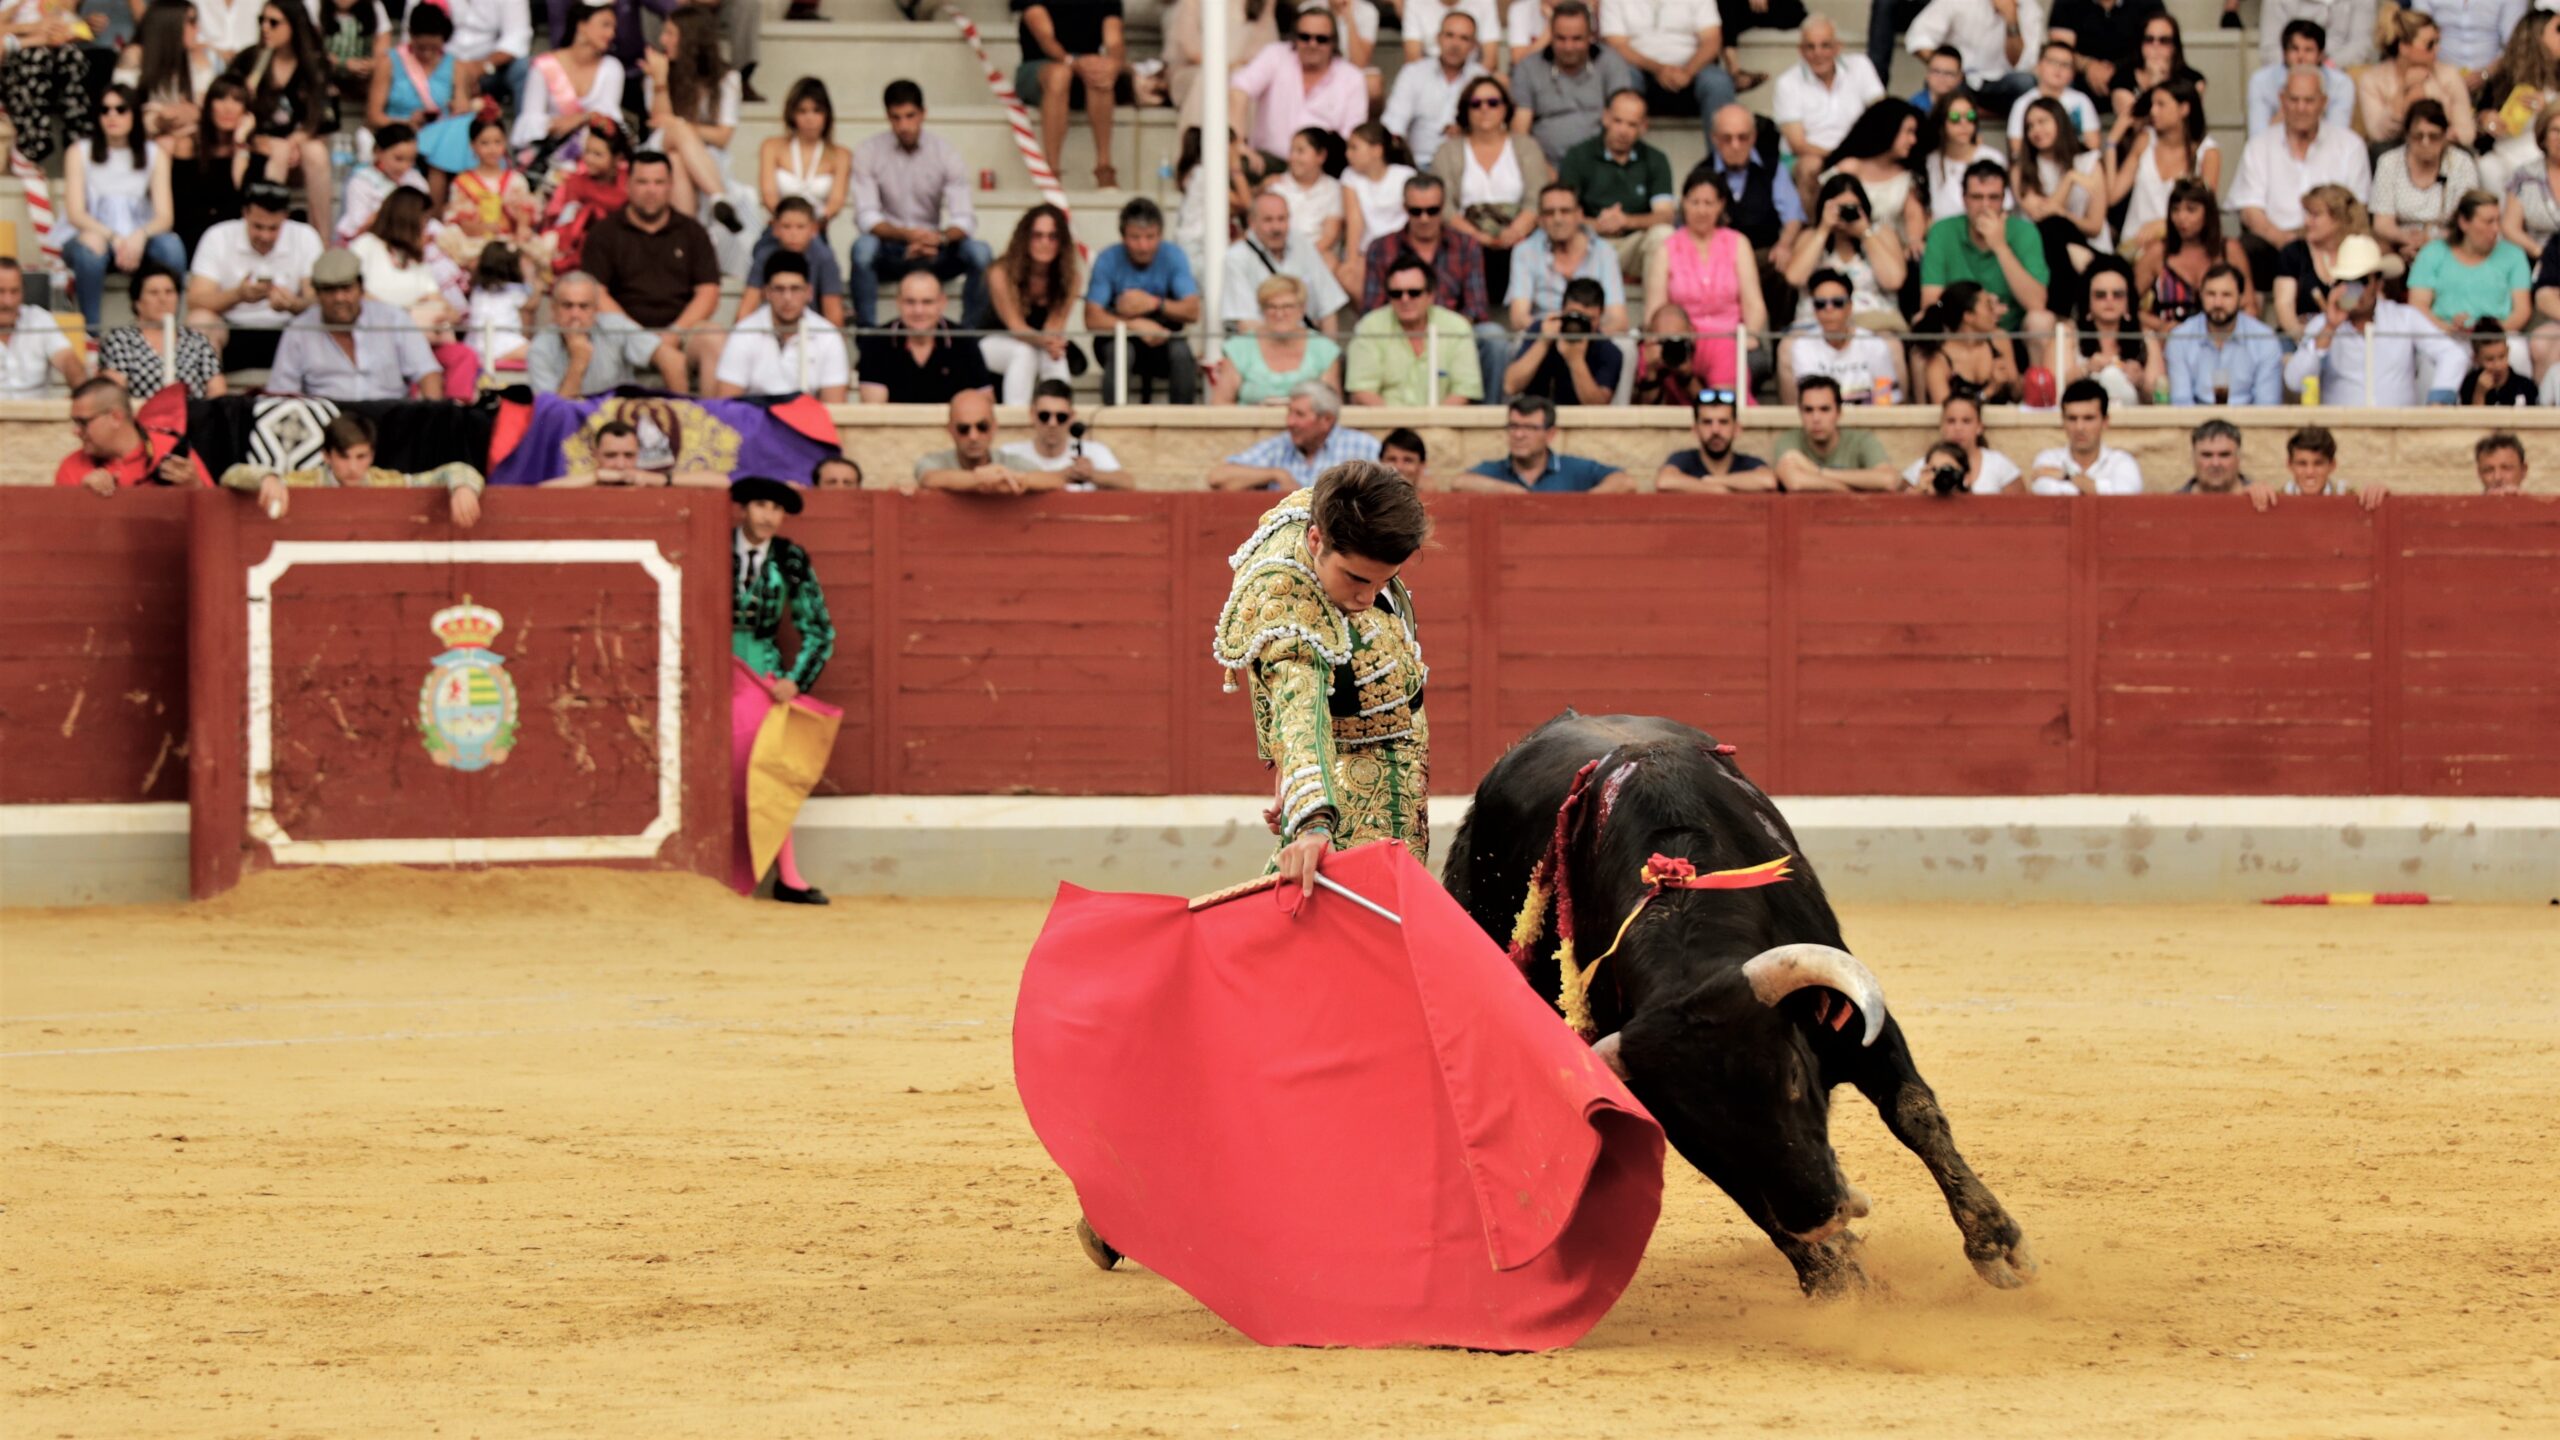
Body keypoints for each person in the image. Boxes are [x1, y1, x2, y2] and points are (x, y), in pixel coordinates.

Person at [1209, 460, 1432, 895]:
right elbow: (1297, 702)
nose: (1367, 597)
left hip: (1379, 740)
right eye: (1355, 578)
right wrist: (1310, 814)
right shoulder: (1285, 594)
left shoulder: (1327, 509)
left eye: (1384, 581)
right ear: (1316, 540)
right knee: (1359, 902)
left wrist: (1289, 782)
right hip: (1348, 762)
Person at [727, 474, 834, 905]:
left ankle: (787, 875)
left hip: (764, 681)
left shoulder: (790, 557)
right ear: (743, 509)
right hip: (712, 676)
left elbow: (819, 630)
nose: (769, 516)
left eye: (777, 508)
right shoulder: (712, 548)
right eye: (761, 506)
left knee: (768, 774)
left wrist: (795, 679)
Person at [850, 82, 991, 331]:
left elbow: (965, 218)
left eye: (910, 116)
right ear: (887, 116)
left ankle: (969, 336)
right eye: (896, 117)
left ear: (923, 113)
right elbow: (866, 217)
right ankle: (867, 335)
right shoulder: (869, 151)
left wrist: (938, 239)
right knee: (863, 249)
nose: (903, 125)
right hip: (890, 248)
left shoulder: (945, 153)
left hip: (935, 248)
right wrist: (906, 236)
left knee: (980, 253)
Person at [2231, 67, 2374, 297]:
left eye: (2309, 101)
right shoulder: (2259, 145)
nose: (2300, 108)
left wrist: (2325, 242)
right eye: (2294, 100)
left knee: (2363, 248)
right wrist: (2287, 243)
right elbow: (2250, 211)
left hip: (2336, 244)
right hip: (2276, 243)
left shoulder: (2350, 145)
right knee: (2244, 248)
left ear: (2324, 102)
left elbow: (2356, 210)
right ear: (2281, 100)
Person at [581, 150, 724, 380]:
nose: (651, 190)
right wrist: (638, 336)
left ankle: (707, 415)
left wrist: (674, 333)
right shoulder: (604, 233)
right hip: (621, 334)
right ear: (627, 185)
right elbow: (596, 293)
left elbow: (709, 291)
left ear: (671, 186)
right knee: (595, 339)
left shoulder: (693, 232)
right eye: (642, 182)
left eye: (659, 182)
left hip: (682, 333)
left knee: (714, 336)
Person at [59, 85, 187, 334]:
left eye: (121, 109)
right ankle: (91, 334)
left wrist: (139, 236)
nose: (112, 116)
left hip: (138, 238)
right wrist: (114, 238)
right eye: (104, 110)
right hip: (94, 234)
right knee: (90, 250)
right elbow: (76, 213)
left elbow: (165, 216)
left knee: (171, 246)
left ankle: (173, 330)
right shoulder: (79, 152)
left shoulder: (154, 154)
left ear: (134, 115)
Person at [2285, 235, 2471, 404]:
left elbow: (2453, 354)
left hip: (2397, 433)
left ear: (2378, 283)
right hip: (2342, 433)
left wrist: (2438, 401)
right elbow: (2295, 381)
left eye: (2362, 281)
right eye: (2345, 281)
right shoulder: (2322, 325)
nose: (2353, 288)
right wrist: (2329, 328)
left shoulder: (2404, 318)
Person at [223, 411, 485, 527]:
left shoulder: (387, 482)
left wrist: (463, 486)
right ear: (326, 455)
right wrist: (266, 478)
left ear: (372, 454)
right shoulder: (303, 482)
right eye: (344, 457)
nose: (353, 468)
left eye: (361, 457)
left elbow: (454, 470)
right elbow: (230, 475)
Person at [1645, 161, 1766, 390]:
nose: (1702, 210)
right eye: (1695, 202)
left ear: (1721, 205)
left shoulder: (1738, 243)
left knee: (1754, 360)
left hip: (1730, 339)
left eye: (1709, 203)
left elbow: (1754, 303)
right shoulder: (1666, 248)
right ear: (1683, 204)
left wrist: (1749, 337)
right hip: (1685, 342)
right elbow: (1656, 309)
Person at [1434, 74, 1547, 315]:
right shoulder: (1448, 151)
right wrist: (1477, 236)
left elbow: (1537, 198)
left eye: (1493, 103)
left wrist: (1515, 231)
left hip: (1519, 237)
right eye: (1476, 104)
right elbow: (1444, 206)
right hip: (1467, 238)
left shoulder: (1526, 146)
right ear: (1466, 110)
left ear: (1506, 108)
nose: (1484, 109)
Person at [268, 246, 444, 400]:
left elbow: (428, 372)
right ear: (317, 294)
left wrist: (430, 418)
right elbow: (282, 392)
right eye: (330, 290)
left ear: (360, 288)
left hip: (389, 419)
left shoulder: (393, 318)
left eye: (346, 288)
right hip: (329, 425)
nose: (339, 298)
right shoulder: (299, 330)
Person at [353, 187, 477, 398]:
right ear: (407, 219)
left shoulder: (419, 263)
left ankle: (455, 415)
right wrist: (408, 312)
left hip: (423, 344)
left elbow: (450, 311)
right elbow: (357, 295)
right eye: (424, 220)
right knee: (415, 365)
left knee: (463, 355)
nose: (427, 228)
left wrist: (438, 310)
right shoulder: (366, 247)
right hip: (378, 342)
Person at [223, 0, 334, 235]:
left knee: (317, 152)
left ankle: (321, 240)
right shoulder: (250, 59)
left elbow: (325, 118)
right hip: (259, 145)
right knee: (280, 150)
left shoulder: (315, 64)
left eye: (274, 22)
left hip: (301, 142)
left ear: (294, 25)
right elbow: (227, 100)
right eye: (261, 20)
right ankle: (269, 228)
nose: (265, 27)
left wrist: (297, 140)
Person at [184, 180, 321, 372]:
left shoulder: (305, 236)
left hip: (288, 331)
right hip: (232, 330)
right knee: (199, 320)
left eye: (273, 228)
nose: (265, 236)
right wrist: (238, 295)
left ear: (285, 217)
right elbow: (196, 301)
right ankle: (208, 396)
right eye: (258, 227)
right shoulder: (218, 236)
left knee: (318, 321)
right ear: (245, 214)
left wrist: (293, 305)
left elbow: (316, 299)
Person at [1919, 159, 2056, 339]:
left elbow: (2036, 303)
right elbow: (1930, 301)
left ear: (2003, 200)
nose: (1985, 206)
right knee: (1921, 321)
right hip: (1962, 326)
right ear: (1964, 199)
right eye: (1977, 197)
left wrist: (2000, 247)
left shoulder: (2025, 231)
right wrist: (1981, 315)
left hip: (2014, 328)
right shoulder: (1942, 231)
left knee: (2041, 320)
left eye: (1993, 197)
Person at [1084, 196, 1203, 404]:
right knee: (1121, 351)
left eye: (1150, 237)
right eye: (1135, 237)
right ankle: (1111, 420)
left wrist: (1154, 303)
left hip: (1163, 339)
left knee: (1182, 353)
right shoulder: (1108, 259)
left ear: (1161, 234)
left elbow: (1192, 310)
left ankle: (1183, 421)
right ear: (1123, 236)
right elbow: (1092, 318)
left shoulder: (1174, 256)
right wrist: (1134, 325)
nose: (1143, 246)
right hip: (1118, 340)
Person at [1557, 88, 1677, 282]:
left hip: (1633, 244)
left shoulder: (1656, 159)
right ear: (1605, 118)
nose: (1623, 130)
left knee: (1664, 234)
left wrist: (1626, 221)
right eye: (1618, 121)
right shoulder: (1578, 156)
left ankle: (1655, 311)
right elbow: (1561, 212)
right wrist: (1598, 225)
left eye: (1631, 124)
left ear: (1644, 127)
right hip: (1589, 242)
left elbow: (1665, 215)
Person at [1774, 18, 1886, 213]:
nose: (1818, 53)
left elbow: (1882, 115)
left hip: (1856, 152)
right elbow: (1798, 144)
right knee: (1811, 166)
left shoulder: (1860, 66)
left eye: (1825, 45)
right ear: (1801, 51)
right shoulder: (1787, 83)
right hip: (1811, 155)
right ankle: (1817, 232)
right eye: (1810, 47)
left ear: (1838, 47)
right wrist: (1838, 158)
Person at [2012, 95, 2109, 318]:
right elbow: (2041, 215)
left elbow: (2094, 225)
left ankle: (2062, 313)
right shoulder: (2021, 169)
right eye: (2029, 126)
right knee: (2053, 228)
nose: (2036, 130)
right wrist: (2070, 179)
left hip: (2086, 245)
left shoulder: (2090, 161)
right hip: (2042, 249)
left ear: (2060, 121)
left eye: (2042, 121)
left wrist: (2064, 213)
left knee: (2059, 225)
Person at [1510, 1, 1639, 168]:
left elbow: (1624, 118)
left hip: (1601, 165)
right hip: (1544, 166)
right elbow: (1520, 132)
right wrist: (1542, 170)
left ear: (1591, 36)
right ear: (1551, 36)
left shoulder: (1611, 62)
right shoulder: (1528, 68)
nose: (1568, 47)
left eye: (1577, 39)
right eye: (1561, 38)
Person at [1229, 3, 1364, 163]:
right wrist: (1239, 144)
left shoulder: (1352, 77)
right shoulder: (1275, 55)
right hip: (1268, 161)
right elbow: (1239, 90)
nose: (1312, 44)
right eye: (1305, 37)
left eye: (1321, 39)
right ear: (1295, 37)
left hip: (1322, 171)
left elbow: (1351, 137)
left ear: (1333, 42)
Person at [1347, 253, 1484, 405]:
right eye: (1396, 293)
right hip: (1382, 426)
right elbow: (1362, 390)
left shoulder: (1456, 327)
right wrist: (1399, 426)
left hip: (1444, 425)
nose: (1405, 299)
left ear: (1430, 295)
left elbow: (1464, 390)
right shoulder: (1369, 327)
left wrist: (1434, 423)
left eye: (1414, 293)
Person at [982, 204, 1083, 407]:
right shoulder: (1000, 272)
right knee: (1024, 352)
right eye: (1037, 236)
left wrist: (1053, 345)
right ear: (1025, 239)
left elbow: (1054, 327)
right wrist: (1048, 342)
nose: (1044, 243)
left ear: (1061, 242)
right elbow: (1016, 327)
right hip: (992, 341)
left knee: (1055, 355)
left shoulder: (1071, 277)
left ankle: (1060, 416)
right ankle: (1016, 419)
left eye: (1052, 237)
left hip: (1038, 343)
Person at [1782, 171, 1909, 331]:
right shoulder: (1810, 236)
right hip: (1818, 324)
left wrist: (1865, 233)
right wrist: (1824, 229)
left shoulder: (1881, 233)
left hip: (1874, 322)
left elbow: (1893, 281)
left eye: (1852, 208)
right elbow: (1794, 278)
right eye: (1838, 208)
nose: (1844, 214)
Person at [1019, 0, 1127, 187]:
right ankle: (1051, 171)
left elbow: (1114, 40)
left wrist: (1112, 64)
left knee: (1099, 71)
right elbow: (1045, 38)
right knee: (1060, 75)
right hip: (1040, 67)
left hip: (1085, 68)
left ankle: (1104, 167)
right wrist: (1071, 61)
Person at [715, 251, 849, 400]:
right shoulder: (744, 332)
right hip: (755, 418)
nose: (787, 298)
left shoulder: (828, 335)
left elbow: (834, 407)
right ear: (767, 293)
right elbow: (728, 402)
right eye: (779, 289)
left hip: (807, 420)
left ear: (809, 292)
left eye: (795, 289)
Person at [529, 270, 688, 394]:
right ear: (554, 308)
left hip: (616, 421)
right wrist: (578, 361)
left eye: (583, 306)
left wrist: (681, 418)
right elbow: (554, 415)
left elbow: (674, 360)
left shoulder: (614, 325)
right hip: (571, 424)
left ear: (596, 310)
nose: (575, 315)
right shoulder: (540, 347)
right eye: (567, 305)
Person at [2108, 76, 2215, 256]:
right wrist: (2111, 143)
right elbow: (2112, 196)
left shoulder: (2208, 151)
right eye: (2152, 105)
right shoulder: (2145, 140)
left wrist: (2163, 225)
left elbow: (2206, 209)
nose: (2153, 111)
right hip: (2134, 245)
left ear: (2184, 109)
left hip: (2179, 246)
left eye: (2161, 104)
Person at [1600, 0, 1736, 139]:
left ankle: (1723, 158)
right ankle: (1621, 158)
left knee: (1718, 83)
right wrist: (1658, 69)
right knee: (1624, 79)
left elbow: (1712, 40)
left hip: (1692, 68)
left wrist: (1688, 72)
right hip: (1638, 67)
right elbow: (1616, 45)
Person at [1206, 381, 1382, 488]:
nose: (1290, 422)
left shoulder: (1362, 446)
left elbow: (1395, 490)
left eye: (1299, 415)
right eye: (1289, 413)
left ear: (1326, 420)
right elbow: (1218, 478)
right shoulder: (1281, 446)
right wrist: (1276, 474)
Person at [858, 269, 996, 405]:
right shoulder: (876, 342)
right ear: (898, 302)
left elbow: (983, 405)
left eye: (927, 302)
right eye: (910, 302)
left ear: (942, 302)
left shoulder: (964, 341)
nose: (918, 310)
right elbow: (874, 410)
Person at [1506, 181, 1626, 335]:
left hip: (1592, 337)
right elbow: (1518, 318)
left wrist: (1582, 335)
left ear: (1580, 215)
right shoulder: (1524, 251)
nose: (1557, 219)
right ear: (1540, 219)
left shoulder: (1604, 251)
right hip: (1544, 337)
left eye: (1565, 211)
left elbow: (1618, 319)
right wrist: (1556, 331)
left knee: (1625, 346)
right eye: (1550, 213)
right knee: (1519, 340)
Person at [2134, 177, 2253, 333]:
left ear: (2208, 213)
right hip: (2170, 344)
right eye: (2175, 209)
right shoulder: (2158, 253)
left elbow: (2249, 306)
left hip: (2222, 342)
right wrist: (2160, 326)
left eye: (2191, 209)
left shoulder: (2229, 250)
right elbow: (2125, 305)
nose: (2181, 217)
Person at [1224, 190, 1351, 335]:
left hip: (1307, 345)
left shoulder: (1301, 243)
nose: (1276, 228)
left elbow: (1328, 306)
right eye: (1268, 220)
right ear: (1252, 223)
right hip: (1261, 345)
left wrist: (1328, 353)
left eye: (1281, 219)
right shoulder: (1236, 257)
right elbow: (1246, 324)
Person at [55, 375, 213, 492]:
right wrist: (80, 499)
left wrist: (194, 487)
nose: (76, 431)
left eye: (83, 423)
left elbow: (216, 518)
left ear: (115, 417)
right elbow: (61, 532)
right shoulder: (72, 467)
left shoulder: (171, 451)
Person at [2410, 188, 2534, 335]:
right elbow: (2418, 304)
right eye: (2489, 222)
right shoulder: (2432, 252)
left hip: (2498, 337)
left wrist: (2488, 334)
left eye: (2497, 220)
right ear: (2463, 222)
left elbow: (2522, 311)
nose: (2496, 229)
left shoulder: (2514, 254)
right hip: (2443, 335)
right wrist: (2447, 329)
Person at [1820, 98, 1930, 258]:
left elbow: (1914, 215)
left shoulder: (1907, 176)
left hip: (1892, 253)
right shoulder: (1849, 167)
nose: (1913, 140)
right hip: (1849, 248)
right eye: (1908, 132)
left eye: (1914, 133)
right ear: (1889, 129)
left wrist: (1914, 241)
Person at [99, 263, 228, 399]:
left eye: (169, 292)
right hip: (141, 415)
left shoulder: (197, 341)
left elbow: (217, 391)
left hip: (193, 416)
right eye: (153, 293)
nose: (163, 299)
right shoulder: (121, 340)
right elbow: (114, 393)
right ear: (137, 302)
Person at [2371, 101, 2479, 264]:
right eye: (2418, 136)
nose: (2425, 143)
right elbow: (2382, 223)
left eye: (2433, 136)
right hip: (2400, 243)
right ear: (2407, 135)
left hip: (2449, 243)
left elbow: (2468, 219)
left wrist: (2431, 241)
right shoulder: (2389, 162)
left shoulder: (2461, 163)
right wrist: (2406, 239)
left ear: (2445, 136)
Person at [512, 0, 622, 157]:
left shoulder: (612, 68)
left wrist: (580, 118)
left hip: (592, 156)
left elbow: (609, 118)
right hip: (550, 152)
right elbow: (530, 119)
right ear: (582, 25)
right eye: (605, 25)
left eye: (613, 28)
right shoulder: (544, 65)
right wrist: (555, 126)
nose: (611, 34)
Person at [2356, 7, 2477, 149]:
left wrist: (2440, 134)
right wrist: (2404, 91)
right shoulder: (2372, 80)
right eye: (2430, 44)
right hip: (2393, 156)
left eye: (2438, 42)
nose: (2437, 49)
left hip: (2444, 151)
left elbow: (2467, 133)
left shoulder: (2449, 74)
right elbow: (2378, 134)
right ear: (2404, 47)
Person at [1780, 267, 1906, 403]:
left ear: (1850, 306)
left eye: (1837, 302)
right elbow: (1813, 401)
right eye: (1820, 304)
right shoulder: (1803, 346)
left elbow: (1885, 401)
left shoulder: (1874, 345)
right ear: (1814, 310)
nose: (1829, 309)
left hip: (1869, 421)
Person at [1454, 394, 1629, 491]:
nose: (1519, 434)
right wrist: (1513, 492)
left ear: (1550, 434)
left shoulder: (1573, 468)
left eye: (1530, 428)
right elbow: (1460, 483)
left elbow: (1625, 482)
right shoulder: (1496, 469)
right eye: (1514, 426)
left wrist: (1582, 504)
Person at [1215, 274, 1347, 403]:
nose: (1279, 314)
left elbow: (1332, 406)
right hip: (1251, 423)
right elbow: (1220, 404)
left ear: (1302, 309)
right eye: (1272, 307)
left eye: (1287, 307)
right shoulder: (1239, 348)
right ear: (1262, 309)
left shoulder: (1324, 349)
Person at [2165, 263, 2282, 404]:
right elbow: (2181, 403)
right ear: (2201, 295)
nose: (2218, 303)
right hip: (2195, 422)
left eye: (2226, 295)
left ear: (2241, 297)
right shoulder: (2180, 338)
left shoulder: (2265, 339)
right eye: (2211, 294)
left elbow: (2267, 405)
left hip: (2249, 422)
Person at [1381, 9, 1484, 168]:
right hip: (1417, 164)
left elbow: (1492, 132)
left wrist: (1467, 132)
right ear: (1438, 38)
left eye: (1464, 38)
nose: (1455, 44)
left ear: (1473, 46)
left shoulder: (1481, 79)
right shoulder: (1413, 73)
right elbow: (1393, 125)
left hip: (1466, 167)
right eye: (1450, 35)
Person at [1704, 102, 1806, 261]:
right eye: (1727, 138)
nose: (1735, 145)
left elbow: (1793, 217)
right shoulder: (1702, 174)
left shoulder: (1773, 167)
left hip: (1767, 256)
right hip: (1718, 261)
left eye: (1742, 137)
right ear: (1715, 138)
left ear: (1753, 137)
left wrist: (1784, 245)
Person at [757, 77, 851, 247]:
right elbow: (769, 195)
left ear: (827, 115)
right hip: (779, 230)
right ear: (792, 114)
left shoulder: (841, 155)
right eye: (802, 111)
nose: (810, 119)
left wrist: (808, 226)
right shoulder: (771, 146)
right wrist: (789, 225)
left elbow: (836, 202)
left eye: (817, 111)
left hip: (816, 231)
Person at [1904, 0, 2043, 115]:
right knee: (1942, 79)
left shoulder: (2030, 9)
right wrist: (1945, 67)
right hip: (1960, 80)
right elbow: (1918, 36)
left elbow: (2024, 64)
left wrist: (2012, 19)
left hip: (2001, 86)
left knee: (2027, 84)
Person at [2270, 183, 2371, 339]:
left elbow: (2367, 303)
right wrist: (2304, 341)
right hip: (2300, 338)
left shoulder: (2359, 252)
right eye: (2307, 214)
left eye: (2315, 215)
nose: (2307, 221)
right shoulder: (2294, 252)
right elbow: (2284, 305)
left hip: (2348, 339)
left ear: (2339, 219)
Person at [915, 389, 1064, 494]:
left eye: (982, 427)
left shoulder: (1007, 462)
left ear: (994, 428)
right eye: (963, 429)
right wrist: (983, 480)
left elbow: (1054, 480)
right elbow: (930, 478)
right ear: (951, 430)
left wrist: (1016, 479)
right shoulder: (935, 461)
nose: (973, 436)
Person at [2476, 10, 2560, 195]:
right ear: (2536, 36)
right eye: (2558, 29)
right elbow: (2478, 126)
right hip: (2507, 156)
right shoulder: (2504, 79)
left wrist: (2548, 111)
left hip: (2549, 159)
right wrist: (2484, 121)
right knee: (2487, 166)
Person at [995, 381, 1136, 490]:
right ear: (1032, 414)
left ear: (1072, 417)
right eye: (1044, 416)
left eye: (1061, 417)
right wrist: (1065, 475)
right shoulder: (1010, 453)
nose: (1052, 423)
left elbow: (1128, 484)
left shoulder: (1094, 451)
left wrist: (1092, 475)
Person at [1503, 276, 1623, 402]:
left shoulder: (1608, 350)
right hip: (1537, 415)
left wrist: (1576, 360)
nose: (1580, 324)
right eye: (1575, 316)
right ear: (1562, 310)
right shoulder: (1541, 330)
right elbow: (1510, 386)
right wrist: (1543, 342)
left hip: (1579, 419)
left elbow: (1598, 407)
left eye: (1589, 319)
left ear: (1599, 317)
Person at [1771, 375, 1899, 490]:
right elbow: (1795, 483)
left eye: (1824, 409)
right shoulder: (1789, 440)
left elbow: (1888, 480)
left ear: (1839, 412)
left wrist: (1817, 471)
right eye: (1808, 410)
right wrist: (1846, 490)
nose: (1816, 418)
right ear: (1800, 413)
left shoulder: (1861, 440)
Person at [738, 198, 847, 327]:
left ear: (814, 229)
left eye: (800, 227)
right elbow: (747, 307)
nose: (793, 234)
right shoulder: (764, 256)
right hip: (769, 331)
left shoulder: (824, 257)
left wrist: (831, 343)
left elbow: (833, 312)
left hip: (810, 332)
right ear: (775, 228)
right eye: (786, 226)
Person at [2058, 257, 2151, 408]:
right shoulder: (2067, 335)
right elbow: (2053, 391)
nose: (2109, 300)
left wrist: (2140, 381)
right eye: (2100, 295)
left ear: (2128, 302)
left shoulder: (2146, 337)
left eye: (2118, 294)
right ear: (2088, 302)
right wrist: (2085, 369)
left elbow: (2160, 396)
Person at [2022, 377, 2141, 494]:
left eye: (2088, 418)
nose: (2079, 427)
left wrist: (2066, 476)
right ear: (2063, 421)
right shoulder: (2048, 459)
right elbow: (2047, 492)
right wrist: (2097, 488)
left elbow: (2122, 496)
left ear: (2105, 421)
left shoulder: (2122, 462)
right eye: (2072, 418)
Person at [1336, 122, 1419, 290]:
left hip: (1402, 250)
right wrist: (1351, 260)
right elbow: (1354, 219)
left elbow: (1414, 218)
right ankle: (1373, 315)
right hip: (1366, 252)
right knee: (1348, 276)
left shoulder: (1405, 176)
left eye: (1354, 148)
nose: (1347, 154)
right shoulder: (1349, 176)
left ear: (1376, 150)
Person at [2246, 18, 2356, 138]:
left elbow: (2338, 137)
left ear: (2321, 55)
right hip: (2275, 151)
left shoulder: (2341, 84)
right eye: (2294, 49)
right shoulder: (2260, 81)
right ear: (2284, 53)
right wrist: (2289, 104)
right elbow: (2257, 137)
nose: (2301, 57)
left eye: (2308, 50)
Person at [1917, 278, 2023, 400]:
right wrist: (1990, 390)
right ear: (1968, 316)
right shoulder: (1939, 362)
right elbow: (1949, 414)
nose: (1995, 311)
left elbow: (2017, 395)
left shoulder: (1999, 340)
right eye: (1988, 305)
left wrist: (2013, 381)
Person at [1898, 388, 2022, 492]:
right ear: (1941, 426)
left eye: (1966, 421)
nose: (1958, 428)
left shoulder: (1998, 464)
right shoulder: (1923, 466)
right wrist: (1918, 491)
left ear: (1979, 427)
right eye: (1951, 421)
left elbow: (2021, 508)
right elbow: (1898, 507)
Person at [1919, 84, 2007, 224]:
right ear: (1942, 122)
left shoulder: (1992, 157)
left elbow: (2005, 208)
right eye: (1955, 117)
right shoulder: (1930, 161)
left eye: (1970, 116)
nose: (1964, 123)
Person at [2248, 424, 2387, 510]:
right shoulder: (2274, 498)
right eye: (2302, 463)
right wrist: (2249, 495)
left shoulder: (2349, 496)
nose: (2310, 472)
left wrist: (2380, 493)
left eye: (2318, 463)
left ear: (2332, 465)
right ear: (2289, 465)